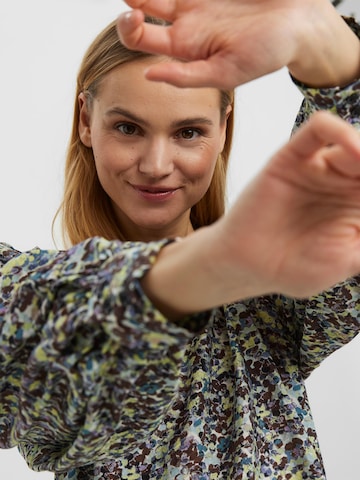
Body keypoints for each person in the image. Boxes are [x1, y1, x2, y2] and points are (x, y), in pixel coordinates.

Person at [1, 1, 360, 479]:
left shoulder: (269, 301)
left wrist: (330, 52)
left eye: (188, 131)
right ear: (86, 120)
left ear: (224, 127)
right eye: (128, 127)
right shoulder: (41, 303)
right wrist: (210, 266)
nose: (155, 164)